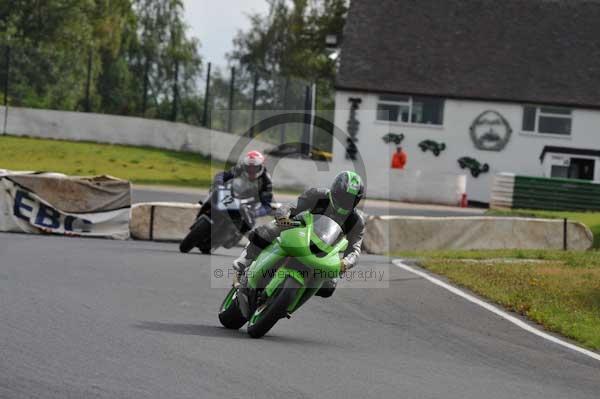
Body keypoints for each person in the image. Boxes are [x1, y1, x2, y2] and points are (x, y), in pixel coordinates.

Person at [232, 171, 366, 297]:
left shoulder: (356, 221)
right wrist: (283, 216)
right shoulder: (318, 194)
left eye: (350, 199)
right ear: (335, 190)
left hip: (327, 249)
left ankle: (294, 297)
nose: (345, 201)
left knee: (329, 287)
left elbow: (355, 249)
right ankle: (241, 267)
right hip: (299, 228)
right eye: (343, 196)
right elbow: (291, 206)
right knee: (268, 230)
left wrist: (346, 262)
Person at [214, 150, 273, 219]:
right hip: (231, 196)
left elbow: (266, 206)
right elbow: (222, 175)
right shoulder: (239, 168)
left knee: (247, 223)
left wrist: (255, 213)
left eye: (255, 167)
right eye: (249, 167)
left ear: (261, 166)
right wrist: (218, 183)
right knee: (214, 191)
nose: (251, 170)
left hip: (249, 205)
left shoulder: (266, 180)